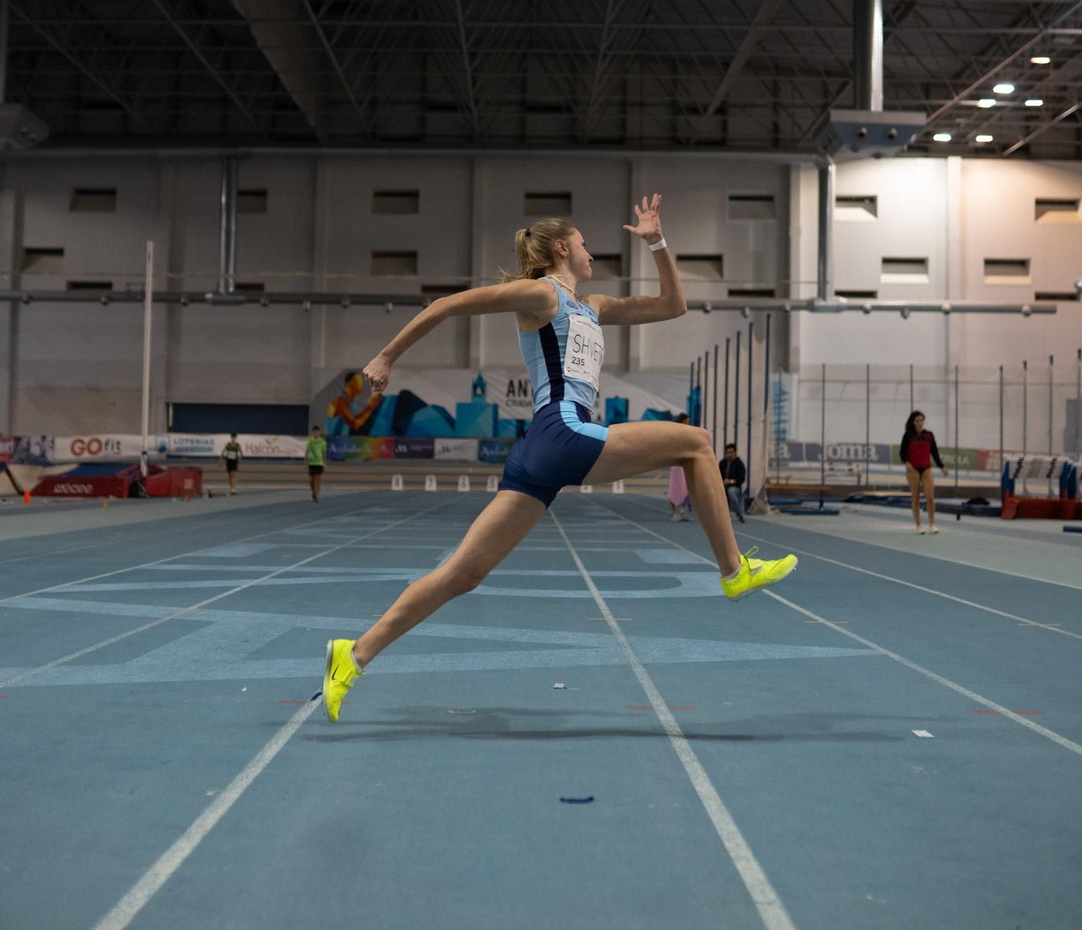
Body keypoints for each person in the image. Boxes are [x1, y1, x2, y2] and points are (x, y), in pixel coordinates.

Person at [321, 196, 798, 722]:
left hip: (540, 450)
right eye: (585, 244)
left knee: (462, 574)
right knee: (698, 442)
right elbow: (447, 305)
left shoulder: (593, 306)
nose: (593, 253)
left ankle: (354, 654)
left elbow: (672, 305)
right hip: (561, 430)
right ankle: (734, 570)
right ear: (562, 249)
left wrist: (657, 242)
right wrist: (386, 356)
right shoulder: (541, 294)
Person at [901, 409, 945, 534]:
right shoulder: (908, 435)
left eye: (921, 420)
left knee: (930, 497)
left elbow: (934, 452)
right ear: (913, 422)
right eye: (917, 421)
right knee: (915, 497)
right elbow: (902, 452)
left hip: (926, 468)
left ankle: (932, 524)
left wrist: (941, 466)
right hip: (913, 469)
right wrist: (907, 463)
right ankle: (919, 525)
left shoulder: (929, 435)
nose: (920, 423)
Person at [667, 412, 692, 522]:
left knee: (684, 486)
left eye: (688, 422)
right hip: (676, 463)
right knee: (674, 487)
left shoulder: (688, 433)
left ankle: (682, 509)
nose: (688, 424)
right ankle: (672, 511)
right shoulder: (675, 432)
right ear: (681, 421)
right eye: (686, 421)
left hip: (683, 462)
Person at [719, 442, 747, 524]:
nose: (729, 455)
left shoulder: (739, 464)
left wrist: (731, 481)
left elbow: (742, 479)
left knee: (731, 492)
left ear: (735, 453)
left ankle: (739, 514)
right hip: (722, 486)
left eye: (731, 453)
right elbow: (717, 476)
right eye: (727, 453)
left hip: (735, 487)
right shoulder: (722, 463)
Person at [305, 426, 326, 501]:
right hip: (311, 462)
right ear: (312, 433)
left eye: (317, 432)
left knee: (317, 479)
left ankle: (315, 495)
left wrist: (324, 463)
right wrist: (305, 462)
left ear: (319, 433)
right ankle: (313, 492)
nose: (316, 433)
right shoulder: (310, 441)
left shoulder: (322, 442)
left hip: (319, 463)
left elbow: (324, 453)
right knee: (311, 481)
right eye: (314, 432)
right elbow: (307, 451)